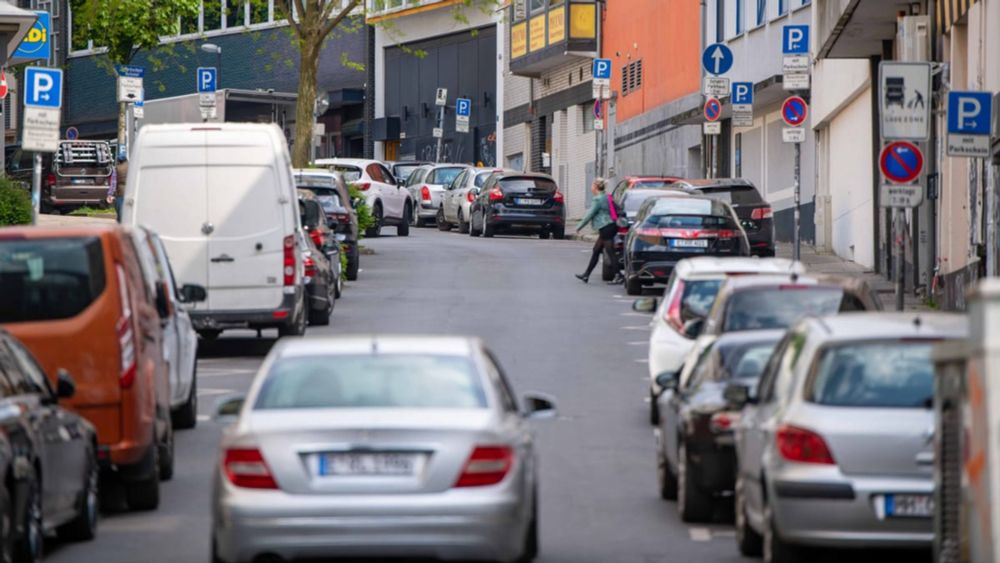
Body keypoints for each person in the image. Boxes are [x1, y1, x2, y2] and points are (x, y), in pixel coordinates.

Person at [574, 178, 623, 284]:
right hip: (609, 226)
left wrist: (579, 226)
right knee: (596, 250)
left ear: (595, 187)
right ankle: (586, 275)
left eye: (592, 185)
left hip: (606, 227)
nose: (591, 187)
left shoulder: (598, 199)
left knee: (611, 253)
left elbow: (590, 214)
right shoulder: (606, 196)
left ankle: (618, 275)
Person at [106, 153, 127, 222]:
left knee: (120, 213)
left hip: (120, 193)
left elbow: (113, 183)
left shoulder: (117, 169)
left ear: (118, 161)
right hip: (131, 192)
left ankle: (121, 226)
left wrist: (110, 194)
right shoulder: (132, 167)